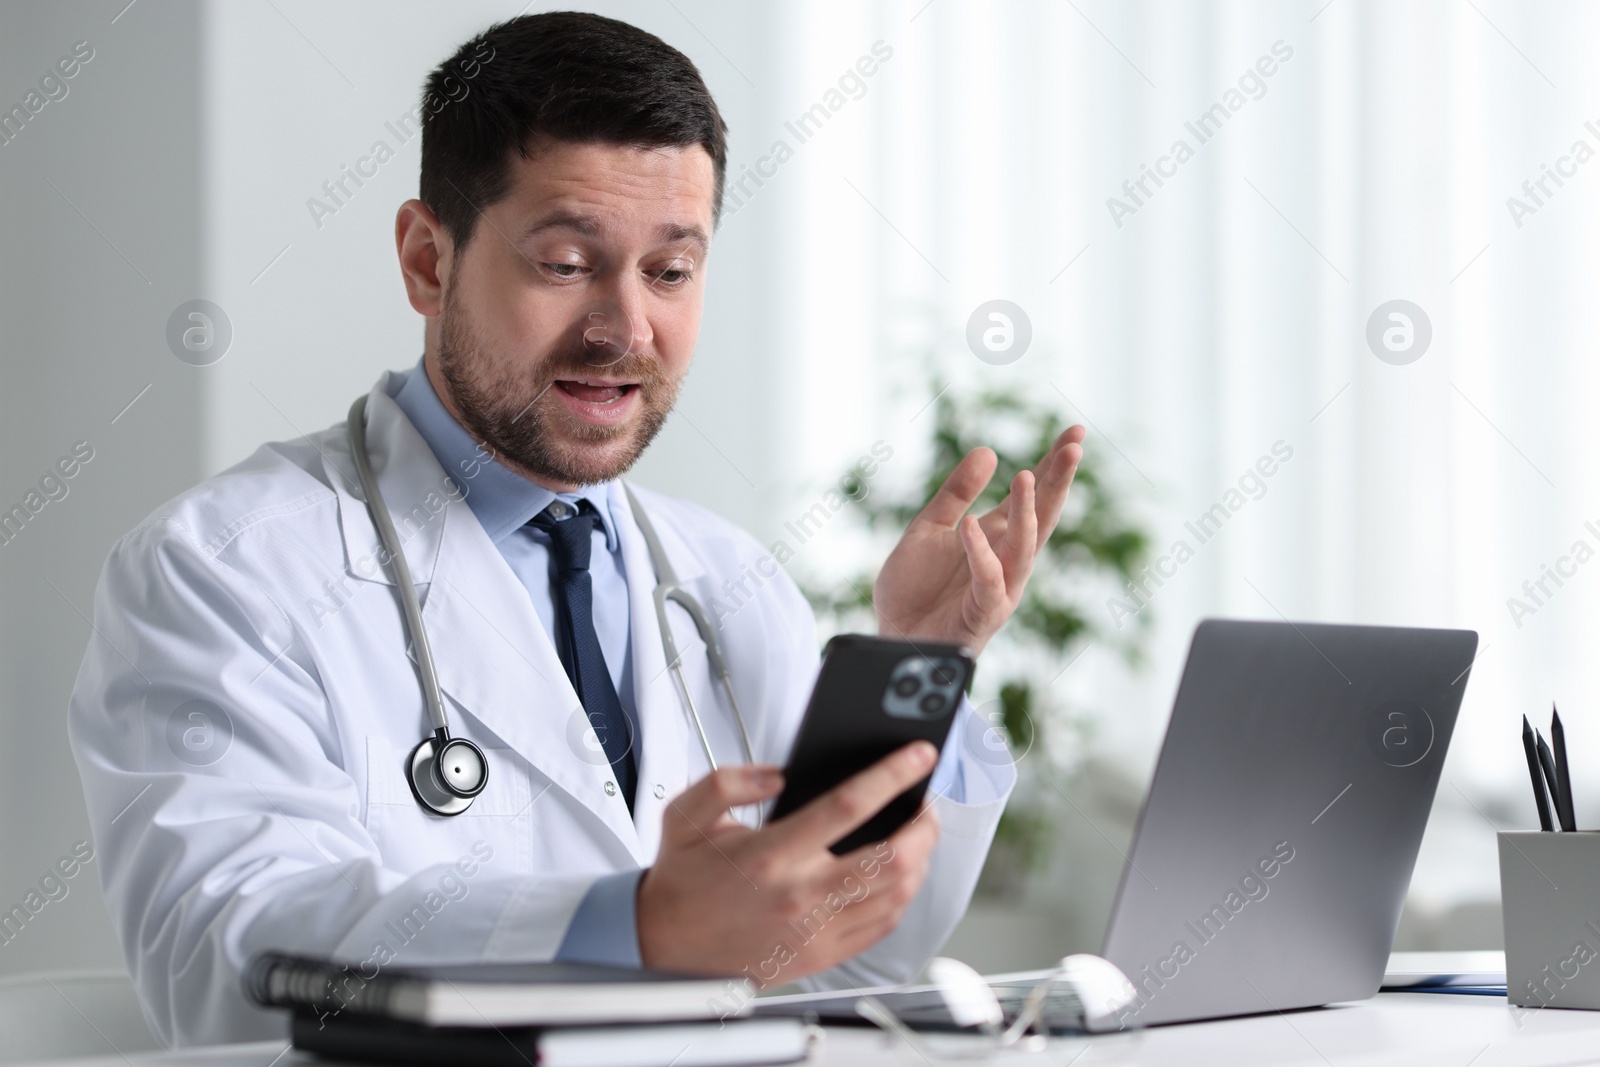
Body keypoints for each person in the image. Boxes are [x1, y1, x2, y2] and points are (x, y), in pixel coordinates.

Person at [68, 11, 1086, 1047]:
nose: (626, 328)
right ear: (428, 260)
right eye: (565, 261)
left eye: (670, 271)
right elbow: (226, 959)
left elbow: (855, 952)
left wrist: (918, 669)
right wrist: (632, 927)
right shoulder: (222, 568)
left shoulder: (722, 575)